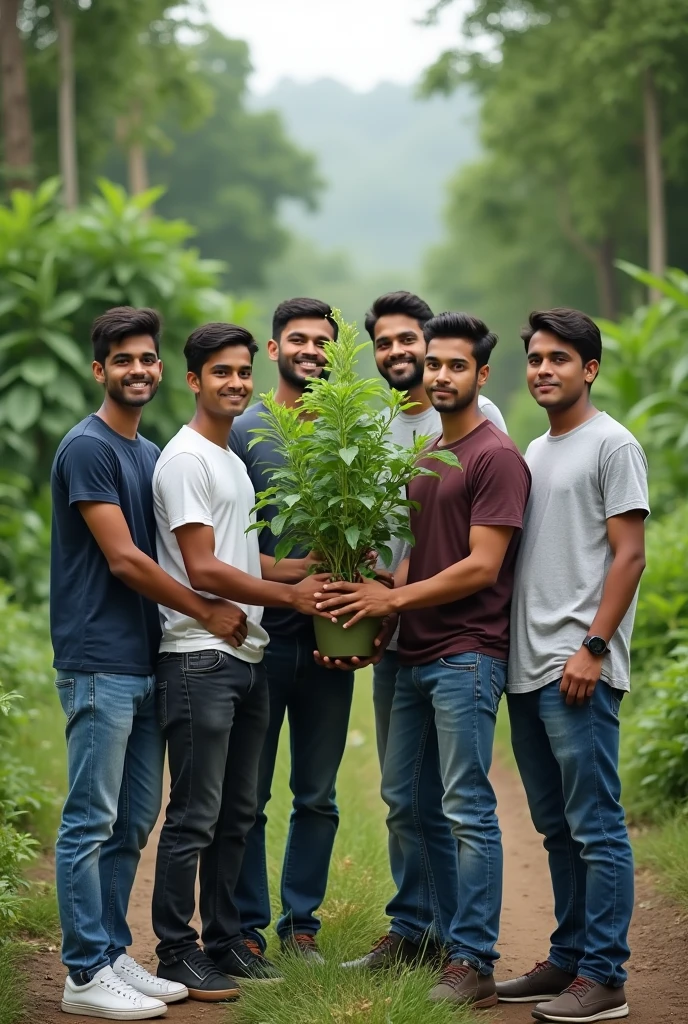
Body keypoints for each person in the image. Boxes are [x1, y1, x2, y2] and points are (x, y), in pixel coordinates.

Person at [316, 312, 531, 1008]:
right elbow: (414, 552)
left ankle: (472, 960)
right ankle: (418, 934)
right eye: (433, 363)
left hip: (465, 653)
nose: (440, 375)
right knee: (405, 802)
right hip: (408, 654)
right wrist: (383, 602)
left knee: (466, 807)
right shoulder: (429, 452)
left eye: (455, 366)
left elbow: (480, 567)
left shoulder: (496, 457)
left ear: (481, 375)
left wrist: (393, 604)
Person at [52, 307, 251, 1020]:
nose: (137, 369)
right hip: (98, 659)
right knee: (91, 818)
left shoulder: (147, 453)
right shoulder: (88, 448)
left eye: (147, 358)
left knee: (134, 818)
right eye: (122, 359)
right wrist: (205, 611)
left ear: (161, 368)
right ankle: (82, 972)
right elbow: (125, 558)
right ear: (98, 368)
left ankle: (109, 953)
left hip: (143, 660)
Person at [151, 322, 327, 1001]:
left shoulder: (228, 458)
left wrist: (316, 570)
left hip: (244, 654)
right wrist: (289, 595)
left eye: (241, 372)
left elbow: (244, 558)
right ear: (193, 380)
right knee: (196, 812)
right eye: (219, 372)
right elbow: (203, 566)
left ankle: (227, 942)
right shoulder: (187, 458)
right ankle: (175, 950)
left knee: (237, 811)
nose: (234, 383)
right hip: (198, 657)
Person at [497, 309, 648, 1023]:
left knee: (595, 825)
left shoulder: (611, 444)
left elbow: (630, 554)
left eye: (560, 358)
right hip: (528, 671)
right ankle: (568, 956)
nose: (544, 369)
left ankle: (605, 976)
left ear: (589, 368)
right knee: (557, 828)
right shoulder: (534, 449)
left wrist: (594, 647)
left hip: (577, 665)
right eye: (535, 358)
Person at [230, 298, 355, 963]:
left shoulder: (352, 435)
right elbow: (219, 546)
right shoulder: (243, 430)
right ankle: (246, 930)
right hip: (261, 640)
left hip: (331, 639)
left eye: (322, 342)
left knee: (318, 795)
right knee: (247, 797)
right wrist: (295, 577)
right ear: (274, 350)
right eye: (298, 340)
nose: (310, 350)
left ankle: (300, 927)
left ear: (336, 354)